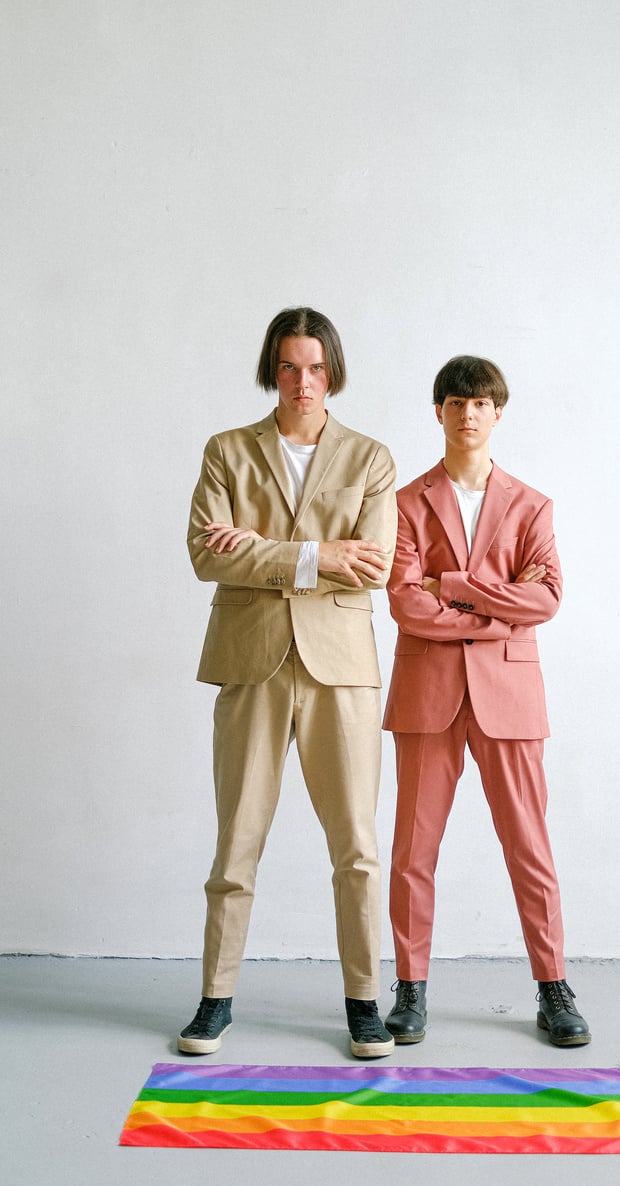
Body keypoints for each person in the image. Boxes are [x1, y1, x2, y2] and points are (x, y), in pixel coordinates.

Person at [179, 306, 398, 1059]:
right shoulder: (227, 451)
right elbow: (208, 555)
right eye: (287, 366)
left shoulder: (370, 459)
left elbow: (374, 562)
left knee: (358, 848)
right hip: (252, 662)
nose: (302, 381)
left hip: (342, 669)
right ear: (270, 369)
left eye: (314, 366)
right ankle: (215, 997)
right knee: (236, 841)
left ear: (332, 369)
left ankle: (365, 1001)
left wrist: (266, 551)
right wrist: (315, 556)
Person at [381, 355, 590, 1047]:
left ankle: (553, 987)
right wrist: (499, 602)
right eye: (455, 402)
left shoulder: (533, 506)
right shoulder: (407, 503)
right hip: (427, 697)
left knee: (529, 845)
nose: (467, 414)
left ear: (498, 413)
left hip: (510, 697)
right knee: (414, 849)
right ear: (437, 411)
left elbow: (548, 597)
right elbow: (407, 604)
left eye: (480, 403)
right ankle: (410, 989)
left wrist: (458, 585)